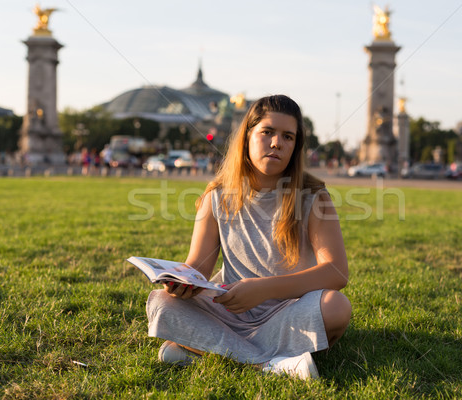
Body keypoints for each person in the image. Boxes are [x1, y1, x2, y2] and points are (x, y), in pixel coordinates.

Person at [146, 95, 351, 379]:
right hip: (229, 311)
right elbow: (198, 267)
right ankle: (272, 365)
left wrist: (265, 289)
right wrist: (180, 283)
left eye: (288, 137)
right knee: (161, 303)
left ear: (295, 147)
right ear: (247, 137)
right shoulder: (216, 196)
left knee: (337, 308)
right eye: (267, 132)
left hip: (288, 311)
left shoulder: (314, 196)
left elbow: (337, 272)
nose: (277, 143)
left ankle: (203, 350)